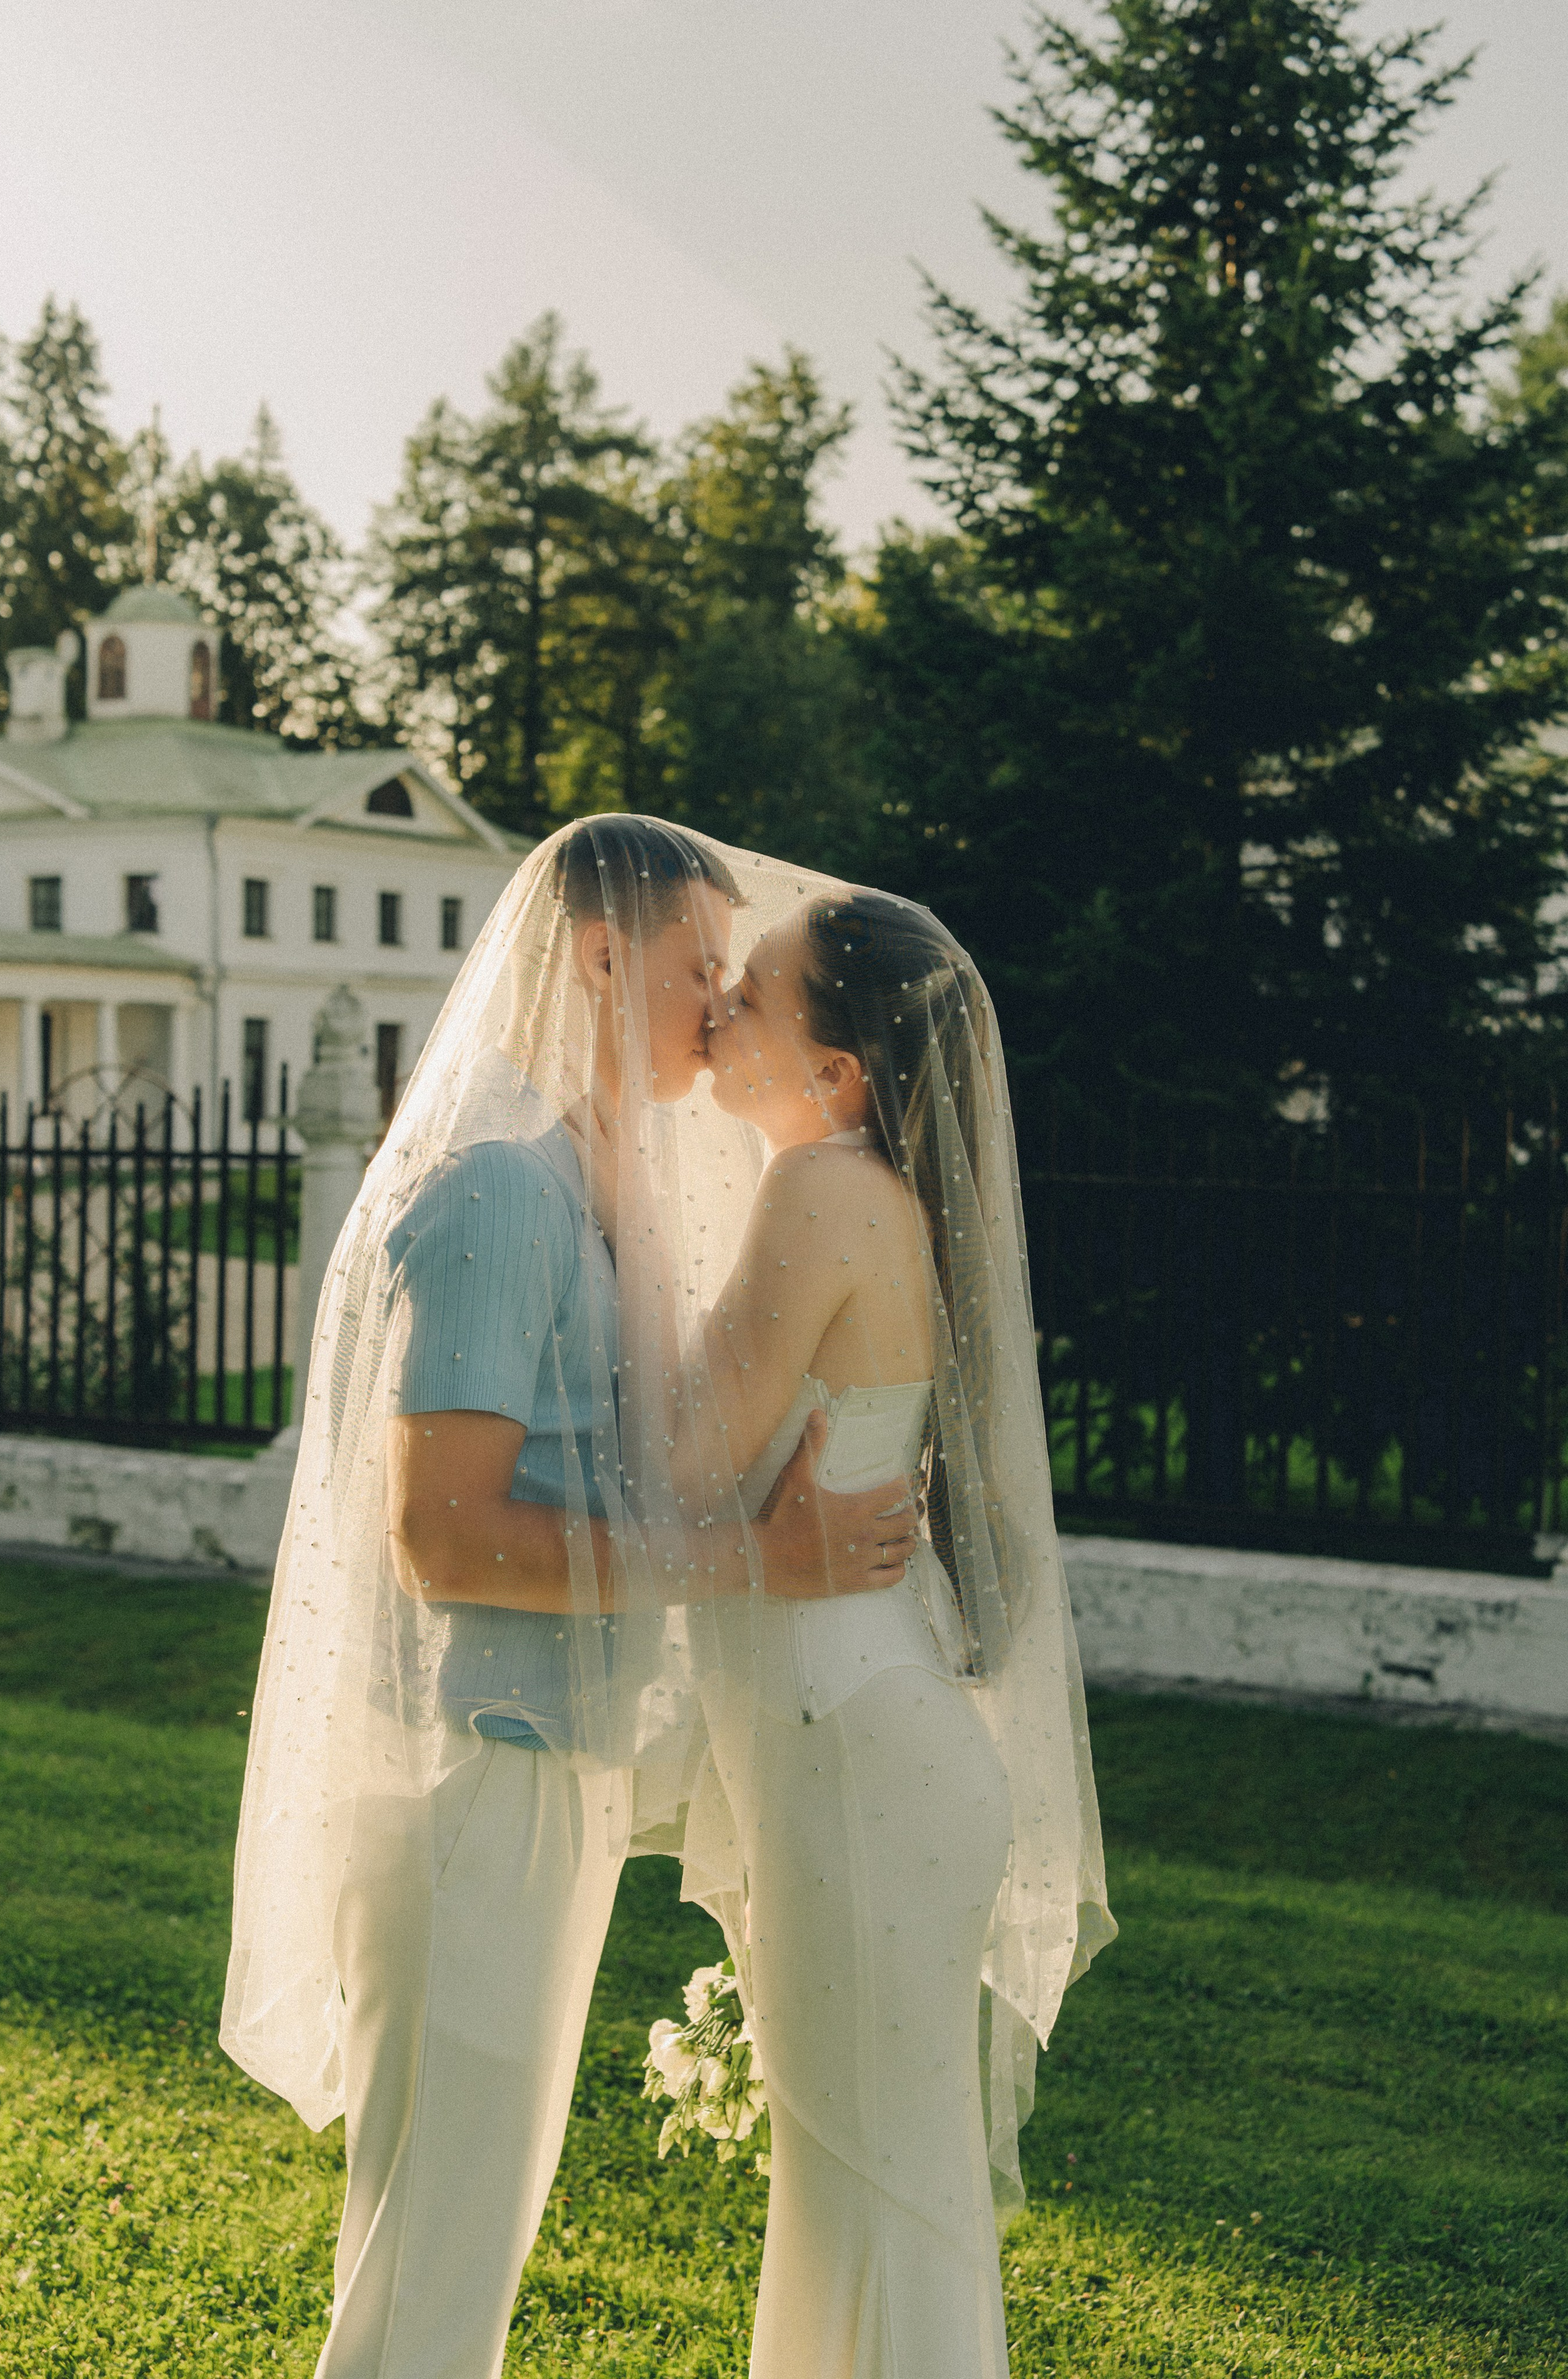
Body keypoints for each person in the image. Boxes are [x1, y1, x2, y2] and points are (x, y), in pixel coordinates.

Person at [221, 818, 919, 2379]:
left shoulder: (587, 1183)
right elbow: (445, 1537)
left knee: (457, 2239)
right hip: (485, 1765)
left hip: (547, 1755)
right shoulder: (502, 1195)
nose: (719, 1003)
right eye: (694, 968)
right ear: (603, 957)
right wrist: (764, 1563)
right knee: (436, 2258)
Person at [667, 878, 1116, 2379]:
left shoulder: (819, 1194)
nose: (716, 1007)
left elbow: (675, 1466)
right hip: (865, 1738)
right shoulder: (862, 1192)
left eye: (750, 999)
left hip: (852, 1747)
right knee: (868, 2185)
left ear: (837, 1075)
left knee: (871, 2187)